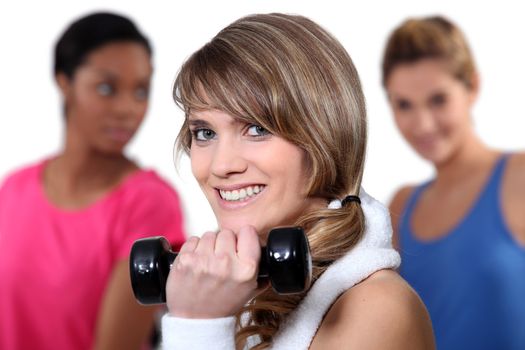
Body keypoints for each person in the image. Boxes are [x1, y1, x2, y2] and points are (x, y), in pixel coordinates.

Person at [158, 13, 435, 349]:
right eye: (205, 133)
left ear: (324, 136)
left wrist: (198, 328)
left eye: (257, 129)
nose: (221, 165)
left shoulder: (380, 308)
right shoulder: (234, 293)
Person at [0, 12, 186, 350]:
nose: (127, 109)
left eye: (140, 91)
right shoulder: (14, 190)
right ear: (64, 81)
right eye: (106, 88)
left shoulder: (147, 203)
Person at [383, 15, 525, 350]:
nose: (423, 124)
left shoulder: (518, 177)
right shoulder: (401, 205)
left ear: (472, 87)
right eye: (404, 105)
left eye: (438, 100)